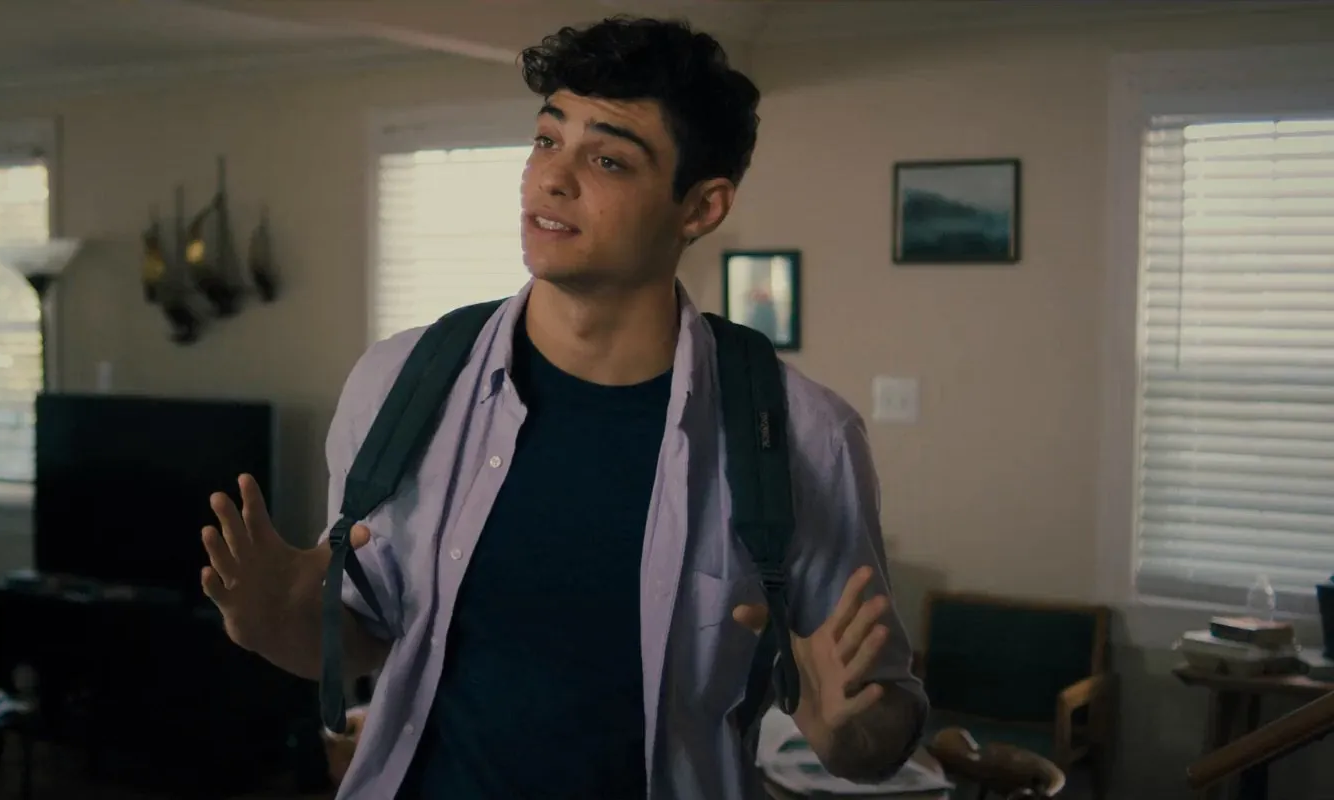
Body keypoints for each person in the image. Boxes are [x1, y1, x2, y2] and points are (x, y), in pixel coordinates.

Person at [197, 16, 926, 800]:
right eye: (547, 140)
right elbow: (363, 638)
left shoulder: (802, 436)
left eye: (607, 159)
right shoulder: (398, 381)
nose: (552, 178)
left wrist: (849, 731)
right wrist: (273, 621)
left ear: (701, 207)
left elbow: (875, 728)